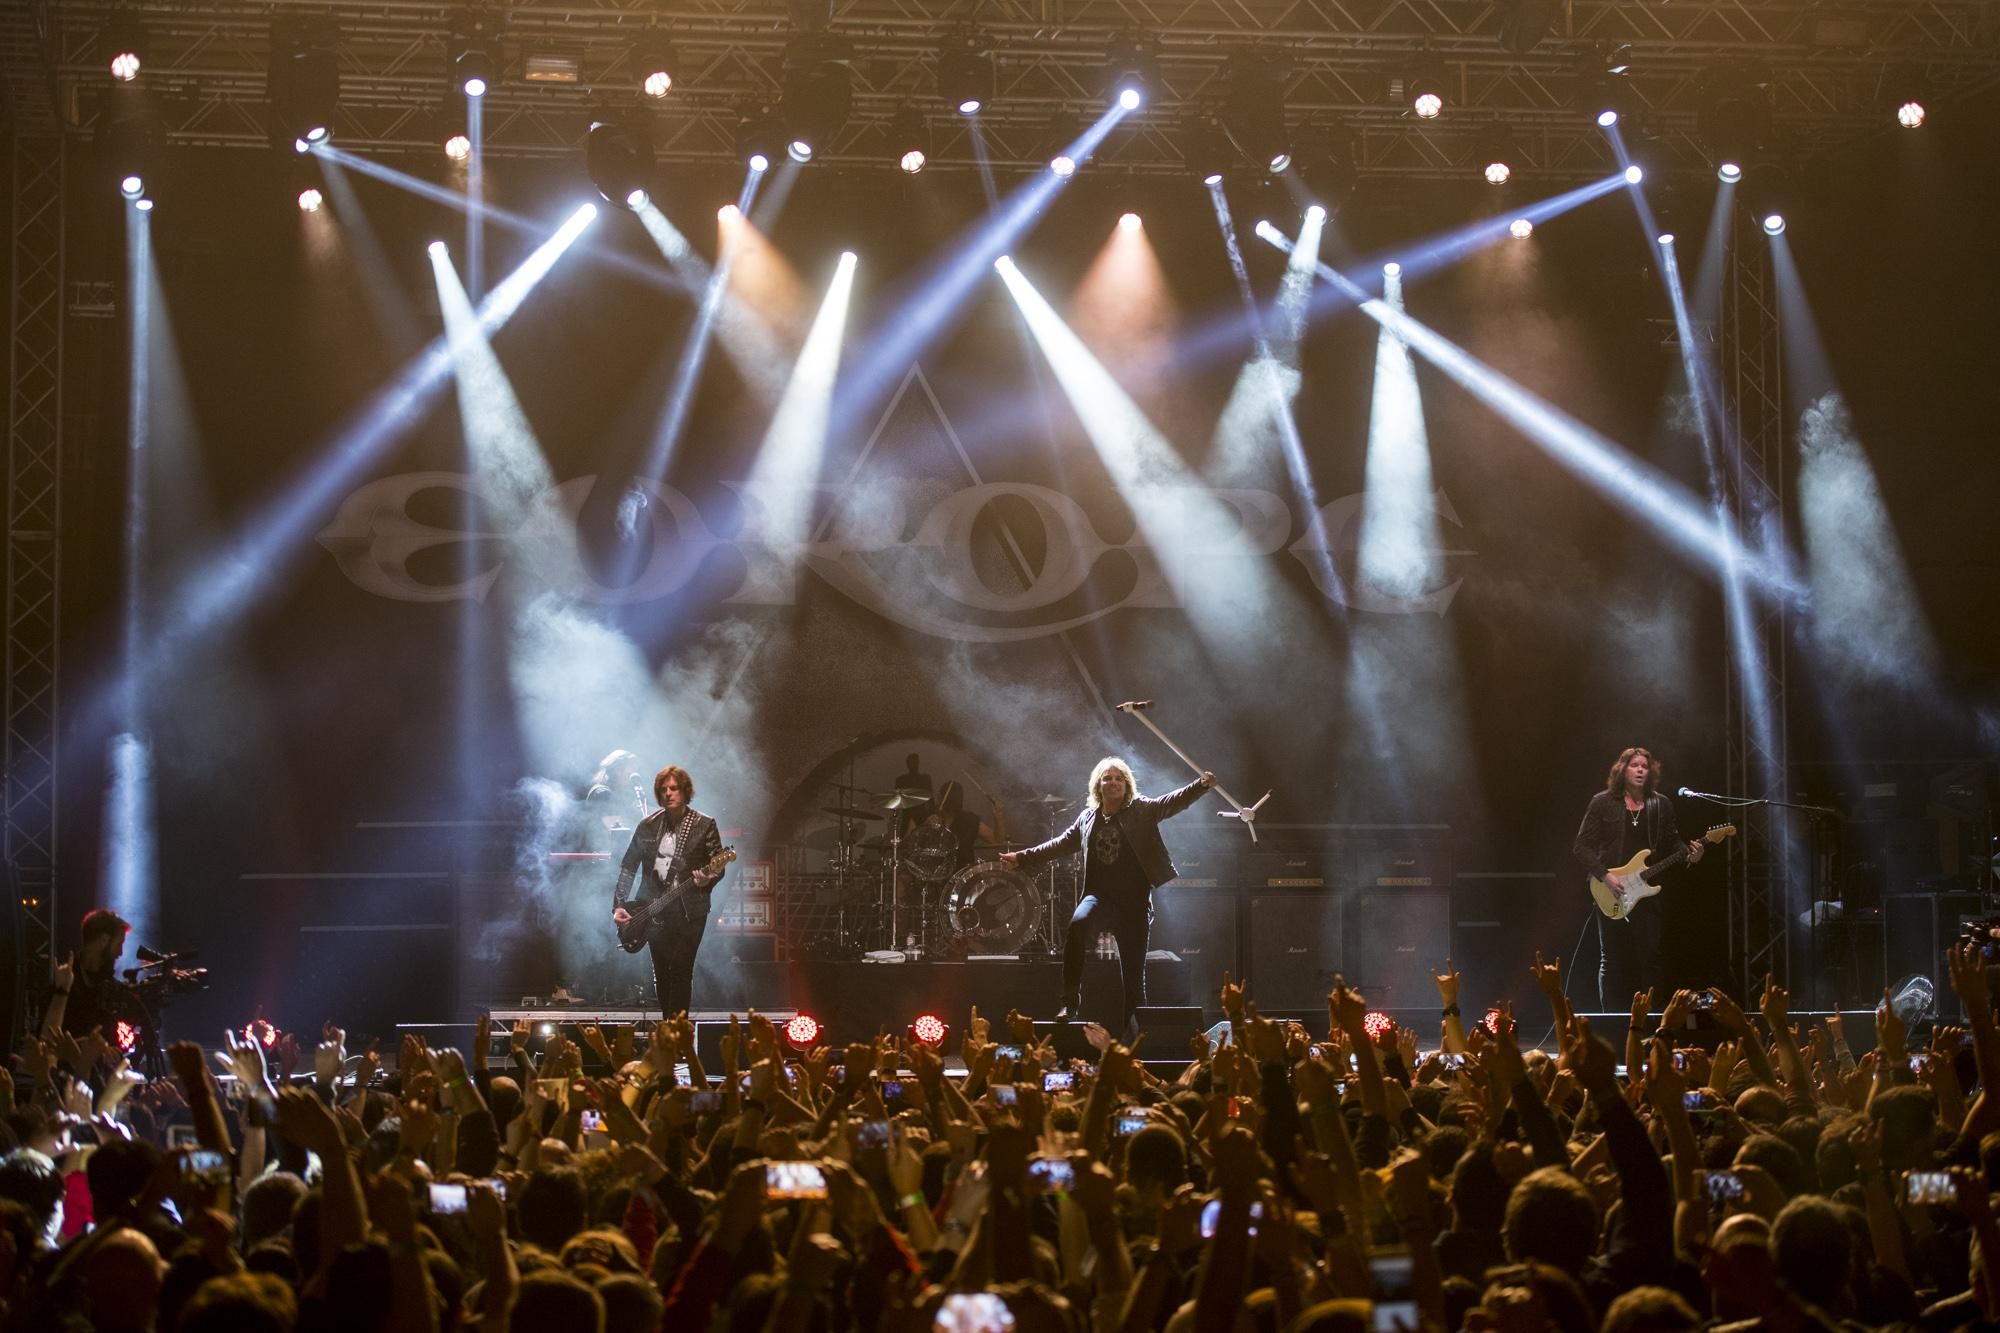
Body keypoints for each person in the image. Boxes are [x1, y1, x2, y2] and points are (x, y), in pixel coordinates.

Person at [1001, 759, 1214, 1032]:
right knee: (1077, 925)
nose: (1113, 782)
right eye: (1107, 778)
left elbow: (1171, 801)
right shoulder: (1088, 818)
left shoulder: (1142, 809)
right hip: (1098, 897)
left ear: (1126, 785)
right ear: (1098, 785)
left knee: (1134, 979)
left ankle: (1134, 1038)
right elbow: (1060, 845)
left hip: (1133, 902)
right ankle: (1071, 1002)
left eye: (1119, 778)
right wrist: (1021, 857)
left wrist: (1201, 785)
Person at [1572, 747, 1703, 1009]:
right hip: (1611, 887)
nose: (1641, 770)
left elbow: (1673, 841)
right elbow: (1581, 847)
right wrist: (1605, 875)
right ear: (1622, 770)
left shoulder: (1660, 804)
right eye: (1635, 765)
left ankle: (1654, 1022)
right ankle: (1611, 1022)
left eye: (1645, 766)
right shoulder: (1603, 802)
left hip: (1645, 888)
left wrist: (1690, 855)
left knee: (1651, 957)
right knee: (1610, 958)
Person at [610, 766, 726, 1016]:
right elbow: (628, 867)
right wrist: (619, 904)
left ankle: (678, 1028)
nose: (668, 794)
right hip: (654, 909)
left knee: (681, 968)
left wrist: (708, 879)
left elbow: (718, 864)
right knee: (662, 971)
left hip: (689, 911)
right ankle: (667, 1025)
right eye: (663, 789)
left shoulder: (704, 824)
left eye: (673, 788)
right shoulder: (647, 826)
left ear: (685, 791)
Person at [47, 908, 133, 1039]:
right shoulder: (63, 980)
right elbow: (48, 1038)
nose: (120, 953)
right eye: (119, 944)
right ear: (104, 940)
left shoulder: (109, 986)